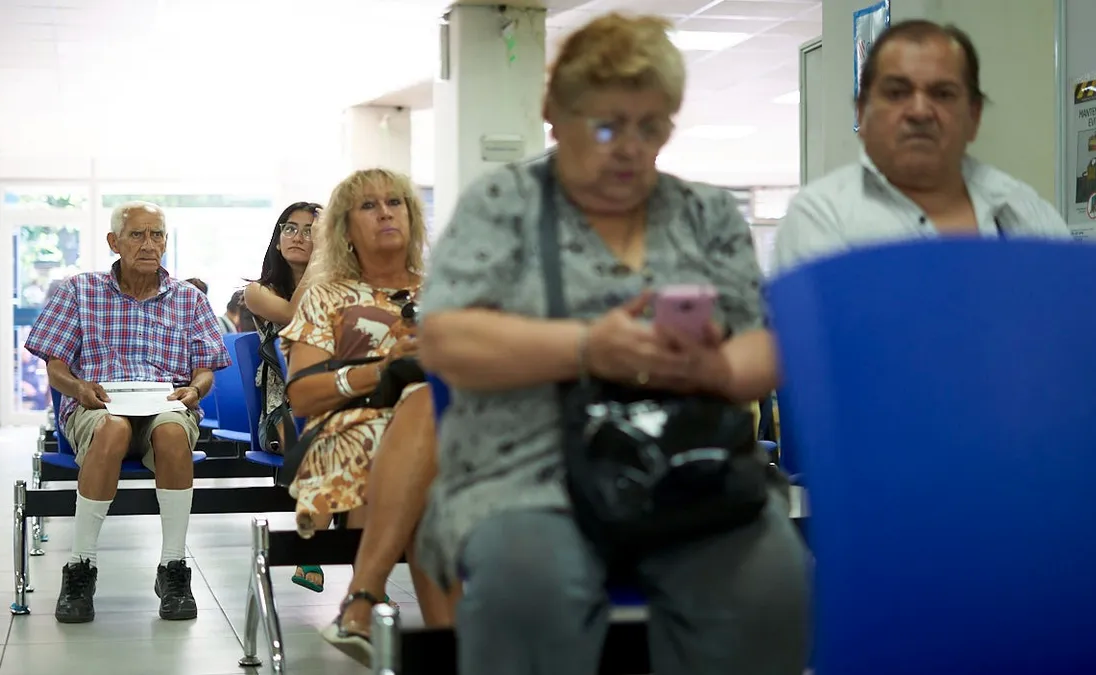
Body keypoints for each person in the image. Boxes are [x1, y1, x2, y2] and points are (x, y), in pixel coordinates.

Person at [414, 14, 809, 675]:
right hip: (528, 473)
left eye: (650, 127)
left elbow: (760, 350)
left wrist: (714, 364)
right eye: (606, 125)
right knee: (529, 590)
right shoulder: (502, 205)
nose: (629, 147)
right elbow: (445, 338)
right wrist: (586, 346)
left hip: (686, 464)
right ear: (554, 115)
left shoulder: (706, 215)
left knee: (771, 584)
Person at [279, 169, 457, 663]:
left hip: (448, 437)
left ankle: (362, 602)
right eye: (369, 206)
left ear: (412, 215)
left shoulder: (446, 293)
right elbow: (303, 398)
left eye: (396, 202)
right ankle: (447, 640)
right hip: (349, 432)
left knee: (431, 421)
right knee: (423, 408)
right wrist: (383, 371)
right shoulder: (325, 296)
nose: (385, 212)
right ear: (344, 228)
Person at [24, 201, 231, 624]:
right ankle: (80, 567)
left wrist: (193, 390)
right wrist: (79, 389)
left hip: (164, 404)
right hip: (100, 402)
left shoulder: (189, 299)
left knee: (173, 433)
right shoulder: (78, 290)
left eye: (157, 235)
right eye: (137, 234)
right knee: (113, 430)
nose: (148, 244)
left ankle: (173, 568)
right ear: (114, 242)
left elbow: (206, 369)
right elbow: (56, 368)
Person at [774, 20, 1069, 272]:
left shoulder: (1023, 211)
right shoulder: (821, 217)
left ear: (974, 116)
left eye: (942, 94)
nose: (919, 111)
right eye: (897, 93)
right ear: (861, 113)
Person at [243, 201, 323, 590]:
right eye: (289, 228)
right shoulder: (257, 292)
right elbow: (295, 314)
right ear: (276, 239)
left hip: (331, 405)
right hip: (281, 414)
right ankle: (311, 552)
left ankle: (366, 584)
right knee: (326, 444)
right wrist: (320, 262)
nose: (298, 237)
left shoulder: (339, 291)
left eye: (311, 231)